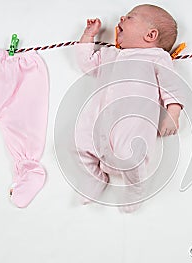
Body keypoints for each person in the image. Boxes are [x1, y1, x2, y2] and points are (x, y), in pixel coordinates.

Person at [74, 4, 184, 212]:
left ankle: (135, 188)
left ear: (150, 35)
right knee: (80, 144)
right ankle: (95, 177)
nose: (122, 18)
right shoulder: (111, 54)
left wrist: (173, 112)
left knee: (131, 156)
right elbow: (86, 64)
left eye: (131, 17)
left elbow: (172, 84)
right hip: (99, 115)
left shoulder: (157, 57)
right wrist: (88, 35)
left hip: (132, 120)